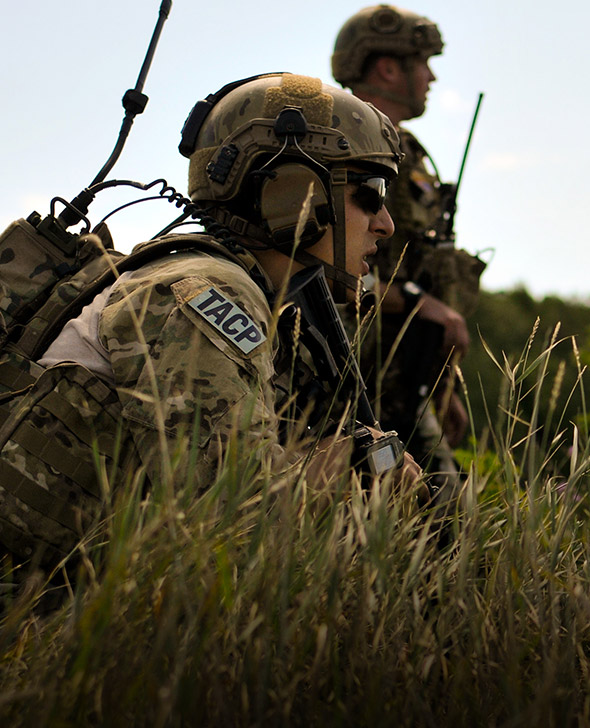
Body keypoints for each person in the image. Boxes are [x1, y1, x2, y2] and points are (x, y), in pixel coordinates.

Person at [0, 73, 423, 583]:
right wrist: (360, 468)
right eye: (370, 194)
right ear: (295, 190)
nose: (385, 224)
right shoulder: (205, 293)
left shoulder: (249, 296)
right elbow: (227, 516)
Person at [331, 5, 485, 498]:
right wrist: (421, 302)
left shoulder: (404, 151)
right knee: (440, 515)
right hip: (352, 375)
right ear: (389, 67)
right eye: (423, 62)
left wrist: (445, 388)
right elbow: (328, 271)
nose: (432, 76)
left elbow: (421, 270)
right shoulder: (340, 144)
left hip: (408, 376)